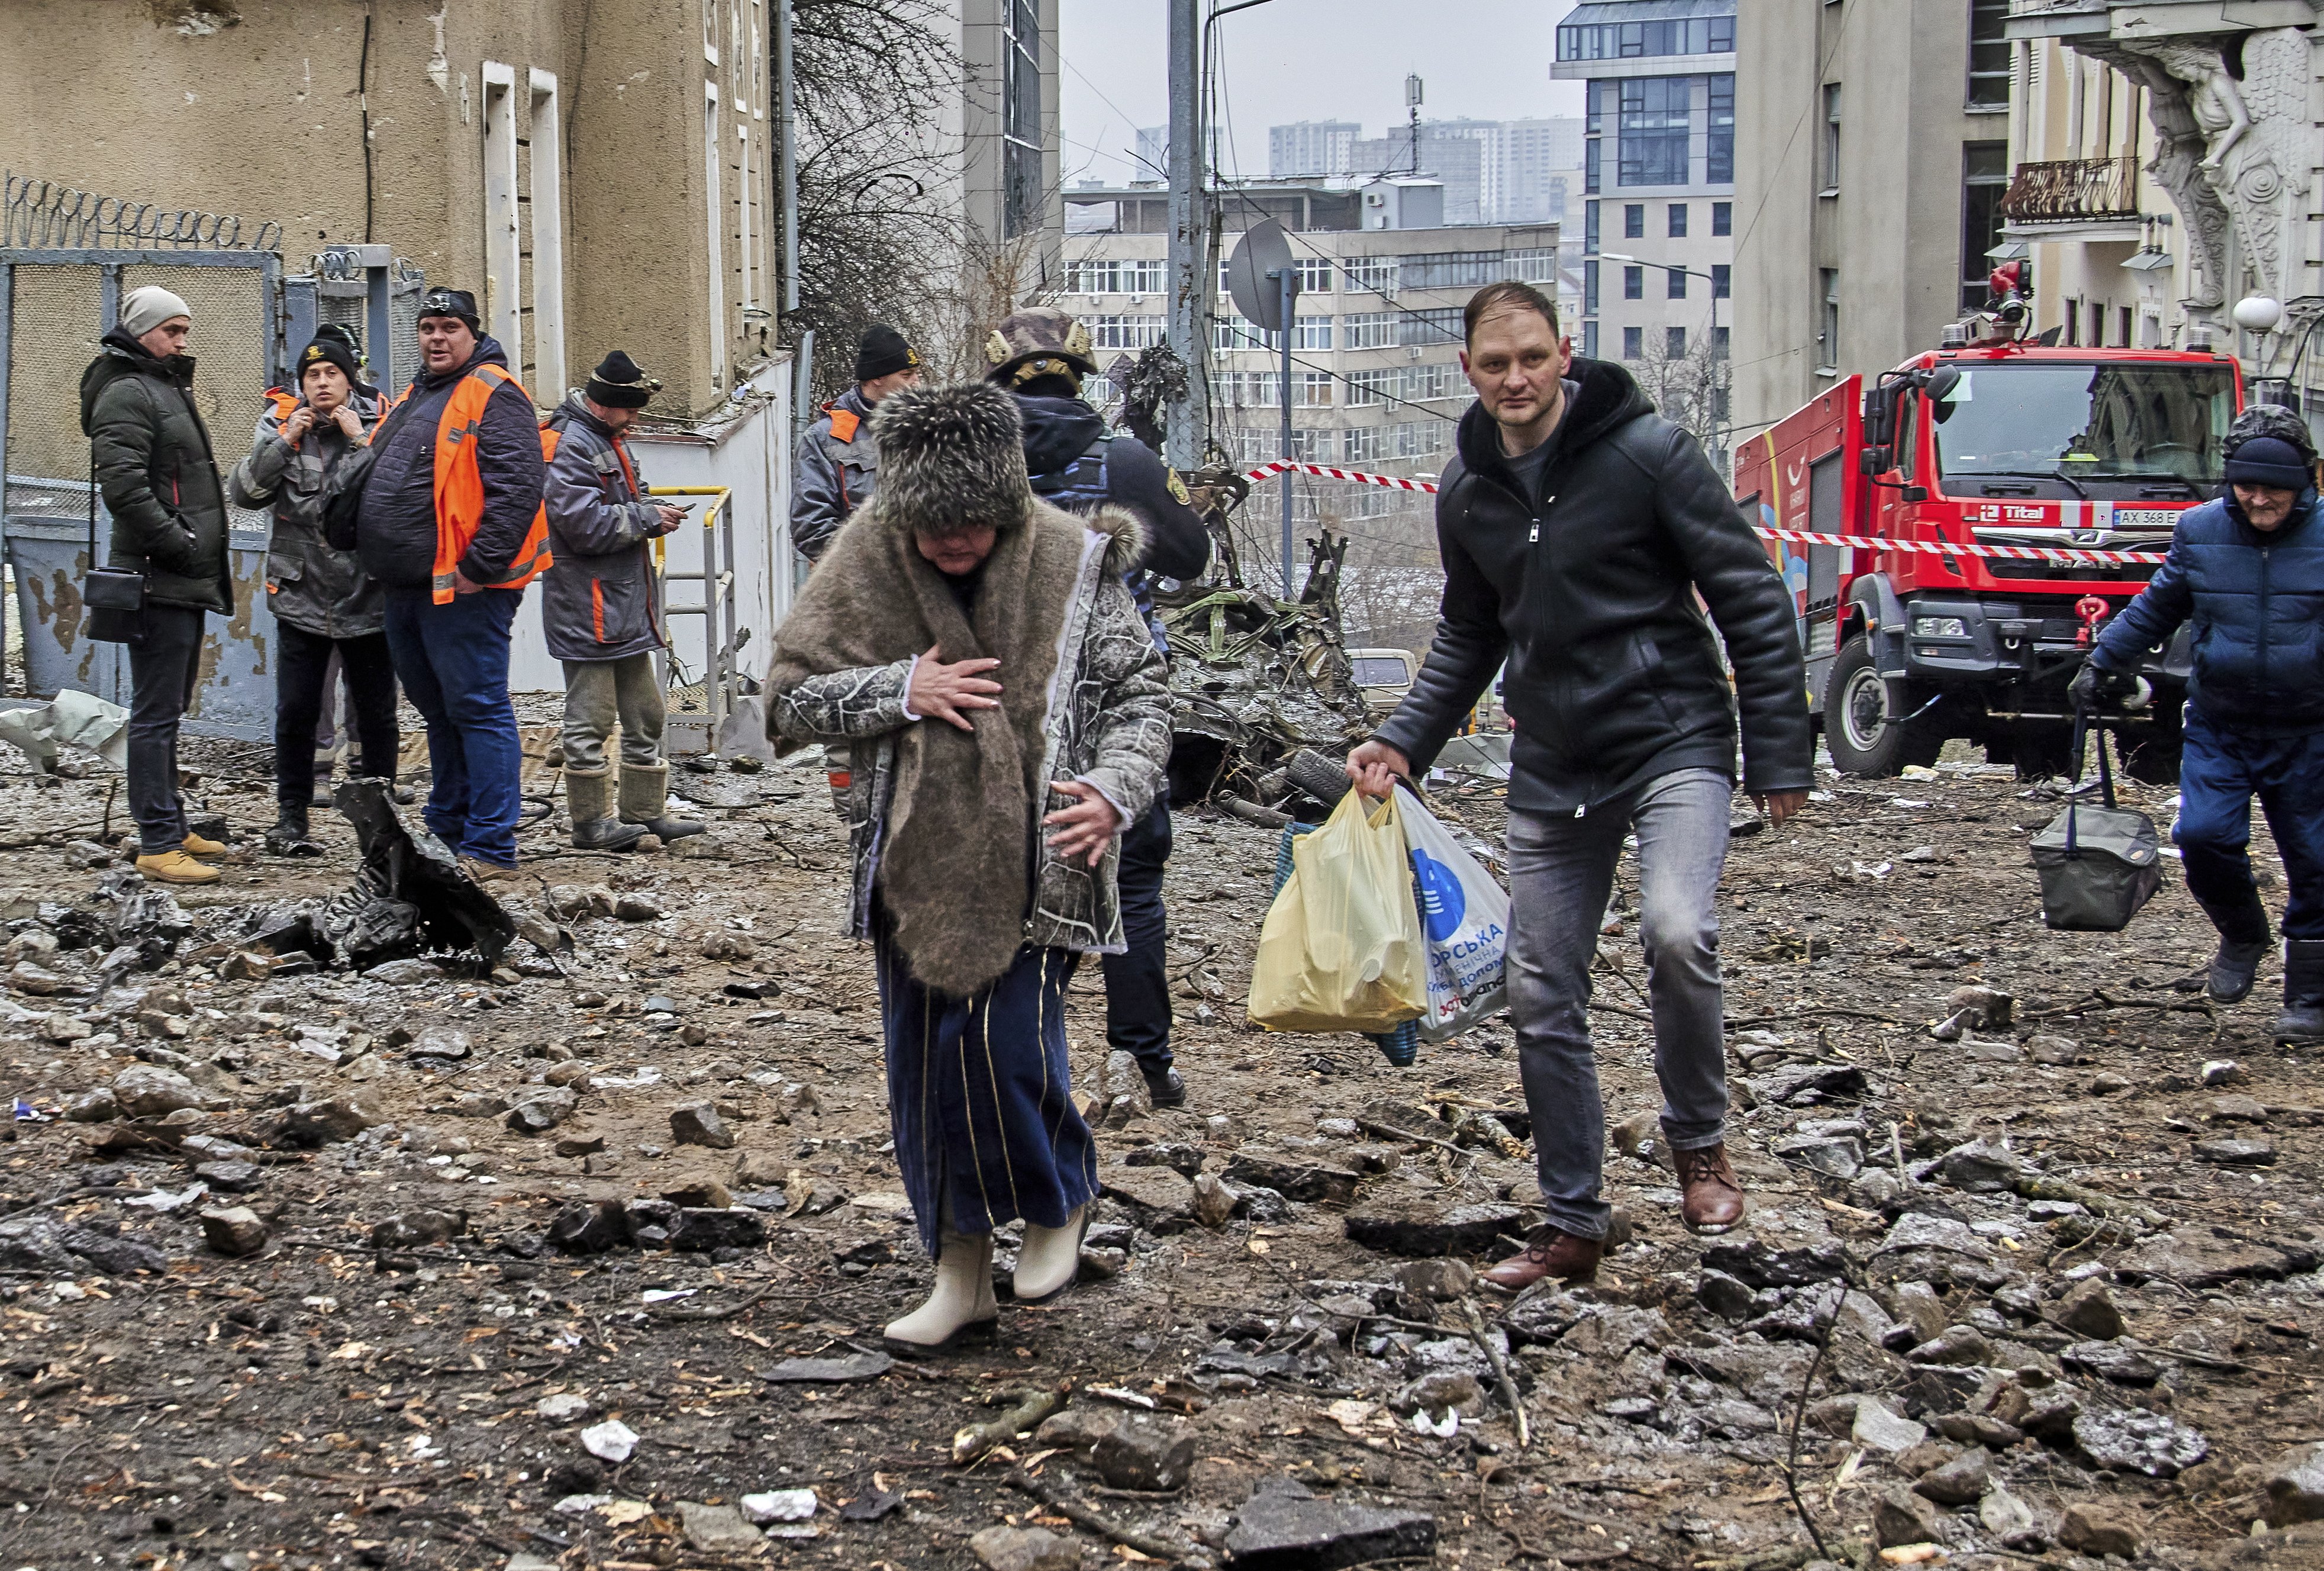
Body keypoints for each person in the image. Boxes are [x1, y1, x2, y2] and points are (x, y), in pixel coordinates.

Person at [1347, 281, 1813, 1289]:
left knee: (1677, 928)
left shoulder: (1649, 455)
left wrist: (1779, 752)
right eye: (1492, 364)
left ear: (1566, 352)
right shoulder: (1468, 489)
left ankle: (1698, 1143)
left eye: (1531, 358)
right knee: (1537, 985)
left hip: (1671, 737)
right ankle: (1572, 1221)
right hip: (1553, 761)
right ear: (1466, 371)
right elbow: (1470, 635)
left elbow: (1749, 597)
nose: (1514, 380)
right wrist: (1401, 744)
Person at [768, 380, 1170, 1353]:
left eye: (973, 527)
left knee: (1003, 1045)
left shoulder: (1075, 564)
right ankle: (957, 1268)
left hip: (1047, 851)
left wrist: (1115, 789)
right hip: (910, 860)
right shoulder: (865, 555)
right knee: (923, 1069)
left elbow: (1142, 699)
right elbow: (784, 701)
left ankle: (1059, 1194)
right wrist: (901, 686)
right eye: (931, 529)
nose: (951, 544)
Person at [985, 305, 1212, 1109]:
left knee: (1008, 878)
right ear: (1079, 378)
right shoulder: (1125, 460)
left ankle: (1015, 1059)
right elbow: (1192, 555)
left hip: (1003, 693)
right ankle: (1139, 1060)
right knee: (1134, 873)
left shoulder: (971, 461)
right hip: (1117, 694)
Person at [2075, 405, 2324, 1042]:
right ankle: (2243, 935)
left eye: (2275, 486)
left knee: (2316, 861)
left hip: (2311, 730)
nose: (2260, 498)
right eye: (2247, 485)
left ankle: (2309, 998)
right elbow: (2159, 604)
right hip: (2222, 723)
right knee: (2205, 837)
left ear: (2306, 482)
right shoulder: (2201, 532)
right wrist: (2103, 661)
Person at [333, 288, 551, 884]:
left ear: (473, 334)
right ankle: (447, 824)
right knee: (439, 710)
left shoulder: (494, 393)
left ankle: (491, 842)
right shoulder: (417, 394)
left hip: (464, 589)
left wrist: (479, 569)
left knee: (477, 709)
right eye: (428, 326)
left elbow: (517, 486)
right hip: (408, 586)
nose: (436, 337)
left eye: (449, 327)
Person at [79, 284, 234, 886]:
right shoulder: (128, 392)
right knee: (153, 713)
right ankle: (157, 841)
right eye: (172, 330)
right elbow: (123, 487)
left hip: (179, 577)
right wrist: (180, 542)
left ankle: (170, 820)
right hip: (158, 577)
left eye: (184, 330)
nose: (181, 341)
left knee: (167, 708)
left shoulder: (159, 385)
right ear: (143, 331)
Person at [228, 331, 395, 854]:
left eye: (332, 375)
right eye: (313, 376)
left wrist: (360, 442)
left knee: (375, 713)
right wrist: (285, 442)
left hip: (367, 595)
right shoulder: (280, 425)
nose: (322, 384)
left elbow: (394, 493)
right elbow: (245, 492)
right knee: (296, 710)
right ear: (302, 384)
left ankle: (380, 826)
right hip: (301, 595)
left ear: (350, 382)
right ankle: (292, 816)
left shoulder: (379, 424)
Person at [540, 352, 706, 850]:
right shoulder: (571, 447)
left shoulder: (606, 440)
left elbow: (615, 504)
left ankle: (644, 811)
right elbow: (583, 525)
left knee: (646, 713)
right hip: (588, 607)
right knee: (589, 719)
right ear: (608, 404)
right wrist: (649, 517)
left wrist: (648, 508)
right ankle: (591, 823)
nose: (636, 419)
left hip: (621, 605)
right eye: (630, 409)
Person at [788, 324, 923, 564]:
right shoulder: (825, 438)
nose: (917, 383)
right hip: (859, 583)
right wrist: (873, 565)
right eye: (906, 375)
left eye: (917, 374)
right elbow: (811, 526)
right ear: (877, 378)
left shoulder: (928, 429)